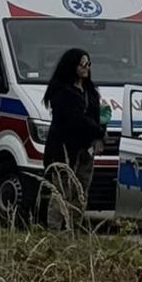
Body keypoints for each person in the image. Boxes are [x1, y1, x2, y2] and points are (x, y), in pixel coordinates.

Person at [42, 48, 105, 231]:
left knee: (81, 191)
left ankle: (74, 229)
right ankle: (55, 230)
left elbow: (97, 116)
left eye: (88, 64)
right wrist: (97, 130)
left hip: (85, 150)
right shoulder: (61, 91)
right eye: (82, 64)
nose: (86, 68)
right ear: (72, 66)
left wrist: (99, 136)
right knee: (62, 192)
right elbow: (74, 119)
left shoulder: (90, 91)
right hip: (64, 149)